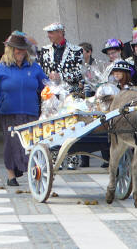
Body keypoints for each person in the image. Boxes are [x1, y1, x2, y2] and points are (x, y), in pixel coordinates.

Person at [0, 32, 48, 186]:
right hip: (9, 112)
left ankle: (29, 170)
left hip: (31, 113)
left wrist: (53, 85)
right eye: (18, 49)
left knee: (29, 144)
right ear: (10, 50)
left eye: (23, 49)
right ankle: (11, 175)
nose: (21, 52)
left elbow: (46, 86)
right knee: (11, 144)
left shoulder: (34, 67)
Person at [38, 22, 83, 170]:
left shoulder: (76, 50)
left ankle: (72, 157)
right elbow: (40, 71)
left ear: (60, 33)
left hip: (69, 93)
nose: (48, 36)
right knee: (51, 124)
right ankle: (54, 156)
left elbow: (80, 72)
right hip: (50, 94)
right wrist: (49, 77)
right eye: (48, 33)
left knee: (71, 124)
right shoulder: (44, 50)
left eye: (51, 33)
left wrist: (62, 76)